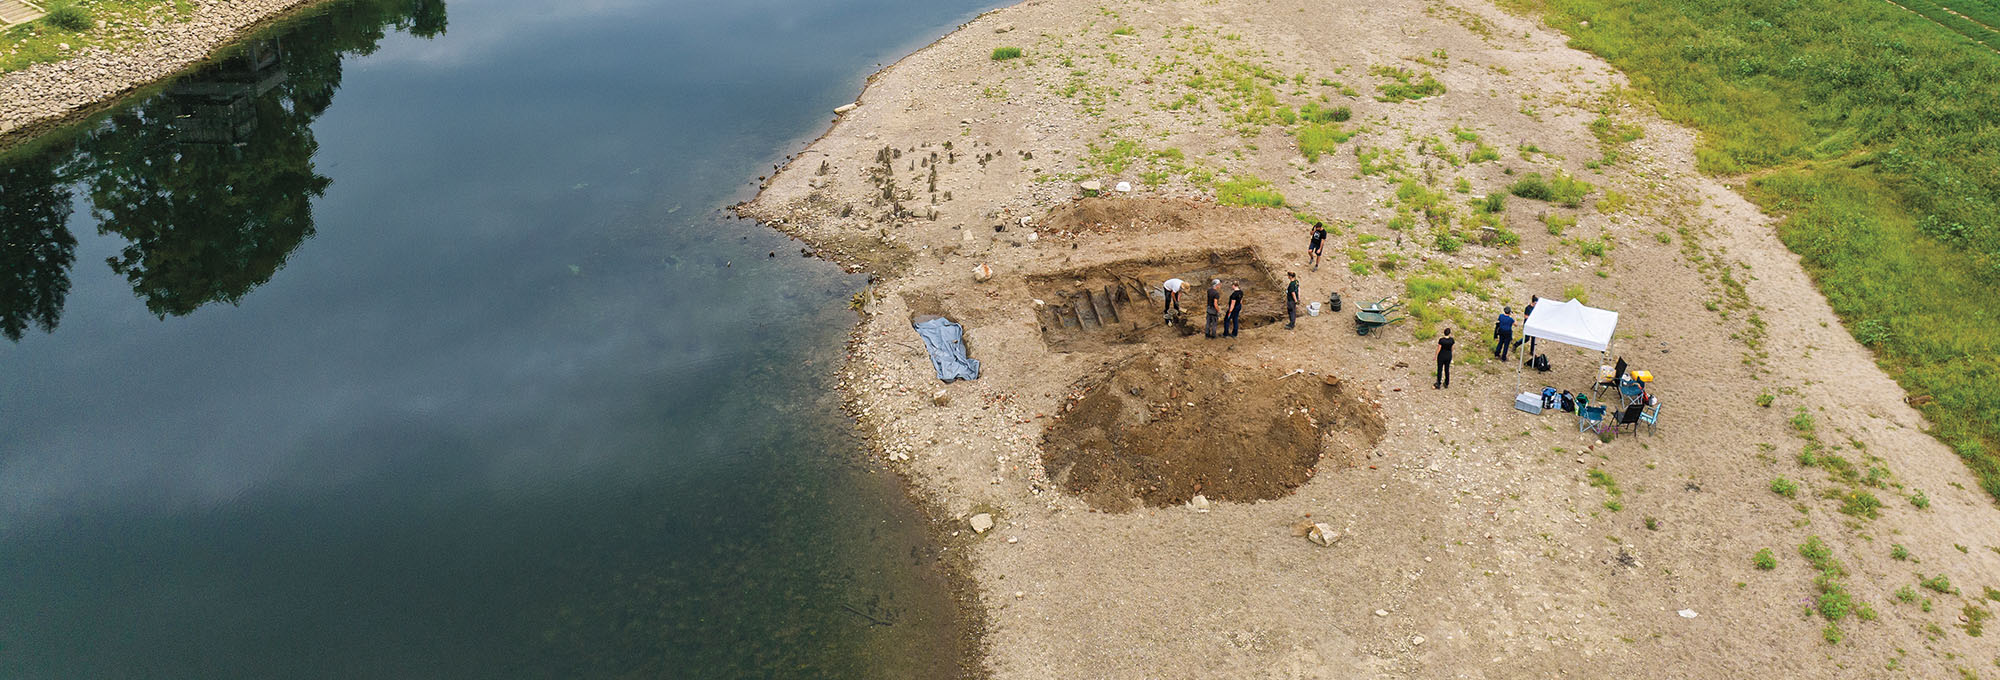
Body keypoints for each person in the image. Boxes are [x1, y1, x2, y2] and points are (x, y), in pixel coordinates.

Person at [1513, 295, 1539, 363]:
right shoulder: (1528, 308)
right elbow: (1526, 316)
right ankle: (1516, 344)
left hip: (1533, 325)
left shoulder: (1536, 308)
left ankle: (1532, 351)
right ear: (1534, 302)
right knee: (1527, 338)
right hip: (1527, 325)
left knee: (1533, 338)